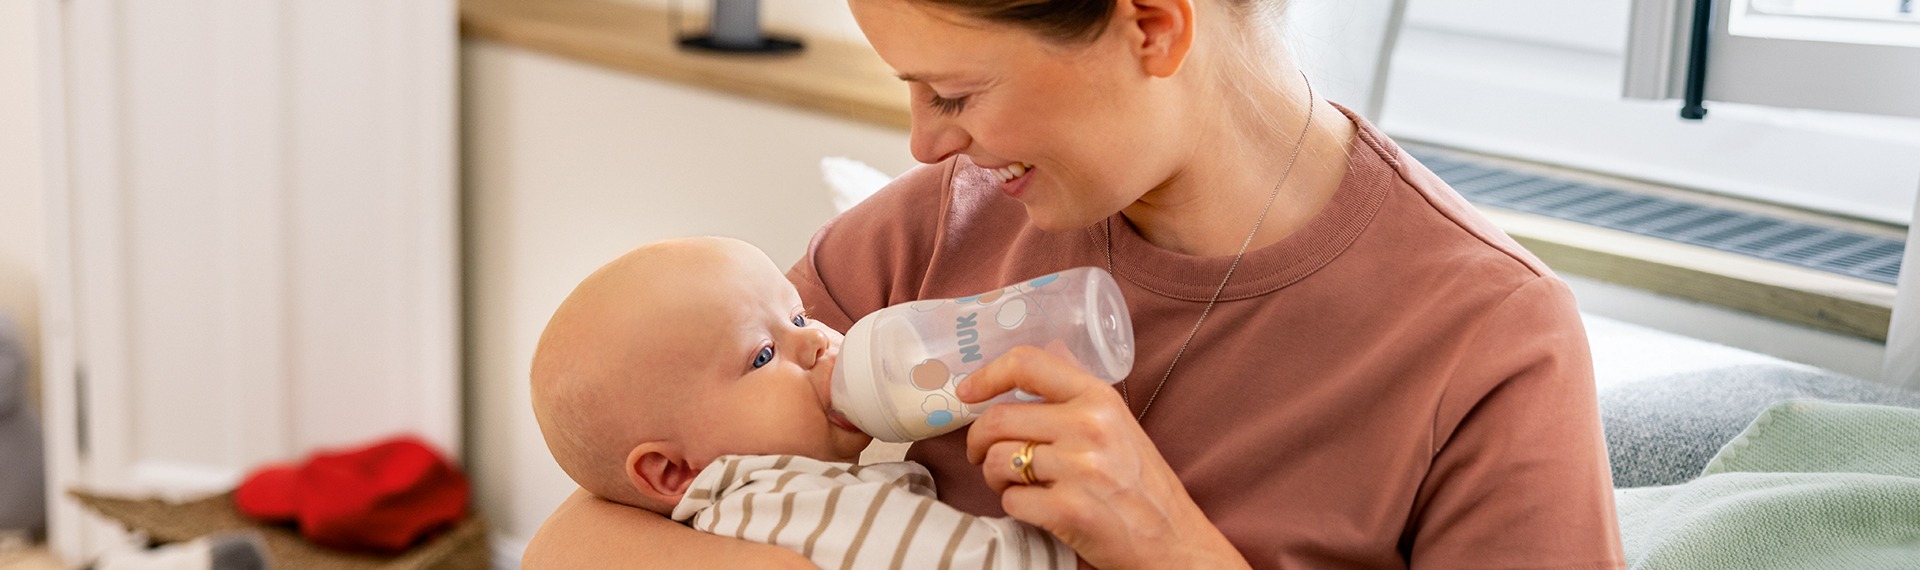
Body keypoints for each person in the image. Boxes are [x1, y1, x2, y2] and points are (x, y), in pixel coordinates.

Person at [523, 0, 1627, 567]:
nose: (922, 145)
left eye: (953, 93)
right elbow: (590, 528)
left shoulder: (1486, 344)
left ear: (1150, 25)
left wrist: (1171, 548)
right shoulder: (927, 234)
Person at [528, 237, 1076, 569]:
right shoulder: (790, 506)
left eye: (798, 316)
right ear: (673, 471)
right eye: (763, 356)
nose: (816, 340)